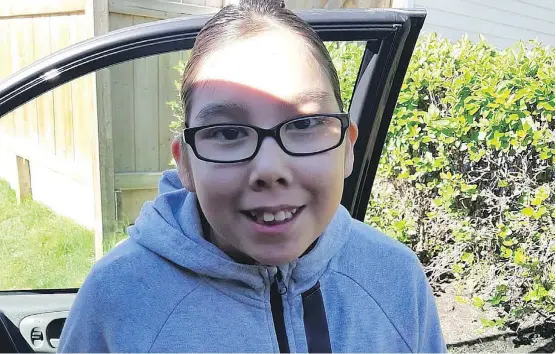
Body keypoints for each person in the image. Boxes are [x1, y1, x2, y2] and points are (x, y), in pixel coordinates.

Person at [59, 0, 447, 352]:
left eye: (305, 123)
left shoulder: (395, 278)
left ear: (347, 147)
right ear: (186, 164)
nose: (270, 170)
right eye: (228, 133)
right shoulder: (118, 297)